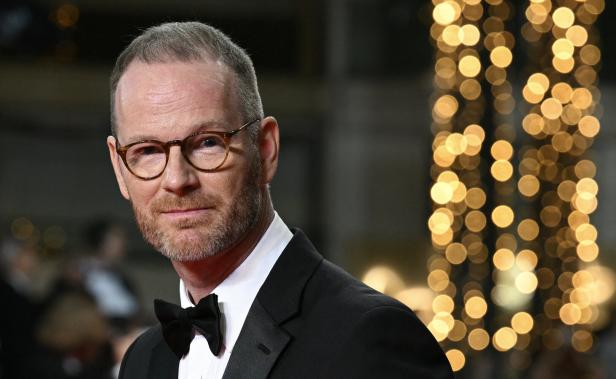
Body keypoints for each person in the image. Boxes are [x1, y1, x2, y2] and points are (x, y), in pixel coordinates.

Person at [106, 21, 453, 379]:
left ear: (266, 150)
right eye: (147, 151)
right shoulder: (143, 361)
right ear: (119, 168)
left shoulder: (370, 337)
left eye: (208, 143)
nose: (177, 180)